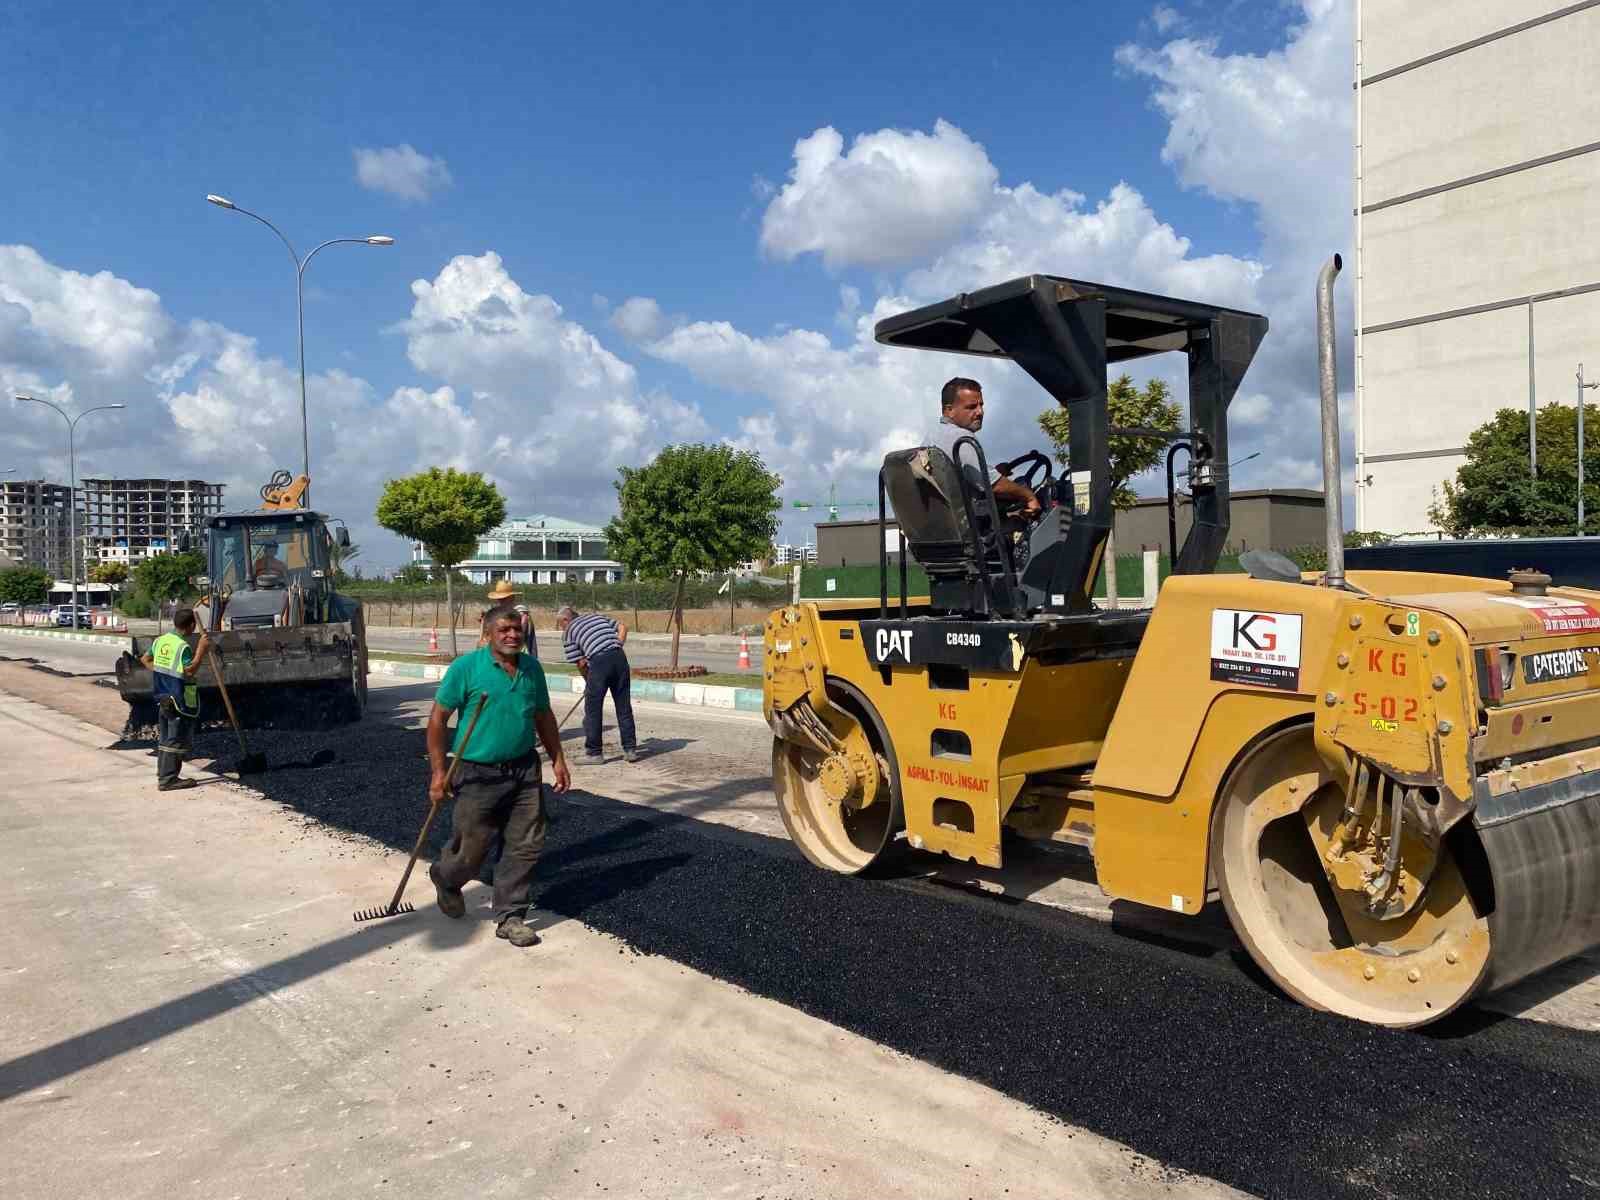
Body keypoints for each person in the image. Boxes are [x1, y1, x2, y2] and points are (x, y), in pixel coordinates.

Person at [426, 603, 570, 948]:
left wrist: (558, 758)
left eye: (517, 629)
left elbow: (543, 716)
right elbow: (436, 719)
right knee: (470, 850)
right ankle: (445, 877)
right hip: (476, 772)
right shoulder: (467, 668)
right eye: (504, 629)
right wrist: (438, 772)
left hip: (523, 769)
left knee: (525, 843)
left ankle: (510, 916)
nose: (512, 635)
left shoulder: (532, 669)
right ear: (488, 633)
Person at [931, 377, 1040, 516]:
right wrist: (1028, 495)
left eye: (981, 405)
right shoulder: (961, 439)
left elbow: (971, 476)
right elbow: (993, 485)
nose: (980, 412)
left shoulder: (933, 436)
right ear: (949, 410)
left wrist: (995, 472)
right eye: (971, 407)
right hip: (972, 525)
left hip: (946, 521)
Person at [140, 607, 213, 791]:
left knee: (165, 737)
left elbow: (145, 659)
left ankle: (163, 773)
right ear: (190, 625)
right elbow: (189, 670)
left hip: (163, 696)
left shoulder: (160, 641)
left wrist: (162, 673)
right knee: (175, 738)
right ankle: (168, 780)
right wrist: (201, 650)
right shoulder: (183, 647)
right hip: (178, 699)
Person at [557, 603, 638, 763]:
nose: (562, 628)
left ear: (566, 619)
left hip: (600, 663)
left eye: (561, 624)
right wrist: (617, 646)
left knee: (593, 709)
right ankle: (630, 750)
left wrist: (589, 682)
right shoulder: (595, 616)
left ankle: (594, 753)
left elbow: (580, 663)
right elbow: (623, 627)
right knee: (623, 706)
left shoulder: (569, 633)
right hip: (620, 659)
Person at [482, 580, 537, 655]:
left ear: (511, 597)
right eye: (499, 599)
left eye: (503, 598)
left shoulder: (521, 611)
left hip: (521, 653)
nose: (500, 601)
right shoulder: (504, 613)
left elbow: (519, 632)